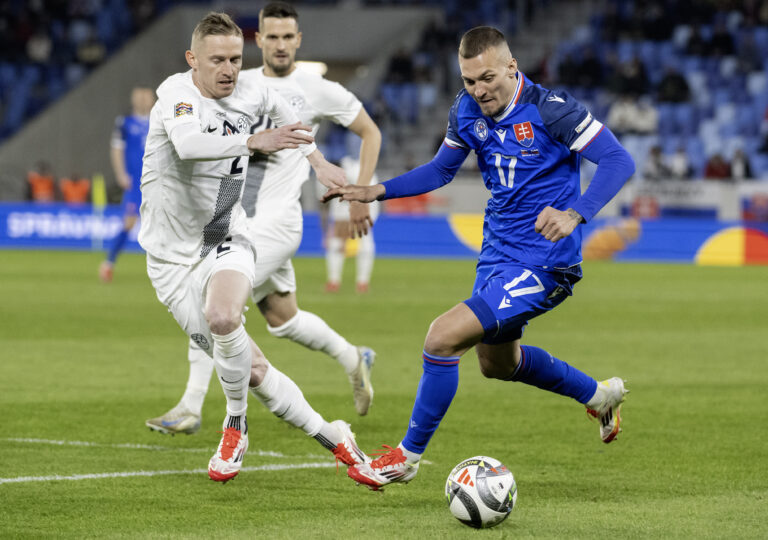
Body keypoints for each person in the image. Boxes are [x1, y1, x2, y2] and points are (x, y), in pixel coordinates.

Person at [323, 26, 635, 490]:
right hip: (497, 256)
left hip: (546, 261)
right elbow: (441, 170)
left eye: (487, 78)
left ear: (512, 67)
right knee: (498, 365)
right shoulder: (467, 110)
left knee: (442, 337)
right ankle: (599, 395)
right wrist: (376, 190)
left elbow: (617, 160)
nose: (478, 90)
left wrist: (576, 213)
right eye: (469, 81)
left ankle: (406, 457)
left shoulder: (552, 110)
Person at [138, 12, 366, 483]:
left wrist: (319, 162)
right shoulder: (175, 94)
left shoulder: (256, 91)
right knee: (252, 367)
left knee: (225, 316)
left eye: (235, 59)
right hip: (169, 261)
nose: (227, 69)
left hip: (227, 236)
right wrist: (253, 140)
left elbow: (290, 119)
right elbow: (187, 144)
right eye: (216, 60)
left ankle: (235, 423)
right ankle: (334, 435)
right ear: (192, 60)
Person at [99, 87, 155, 282]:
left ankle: (169, 267)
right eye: (139, 97)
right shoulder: (124, 123)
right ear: (133, 99)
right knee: (130, 222)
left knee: (162, 222)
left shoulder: (159, 120)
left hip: (157, 181)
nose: (143, 100)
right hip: (135, 182)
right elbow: (116, 148)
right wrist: (121, 174)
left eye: (146, 96)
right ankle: (109, 263)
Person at [323, 156, 380, 293]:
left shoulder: (364, 173)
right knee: (339, 245)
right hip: (344, 213)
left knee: (364, 247)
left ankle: (360, 282)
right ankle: (335, 281)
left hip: (360, 213)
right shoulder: (342, 172)